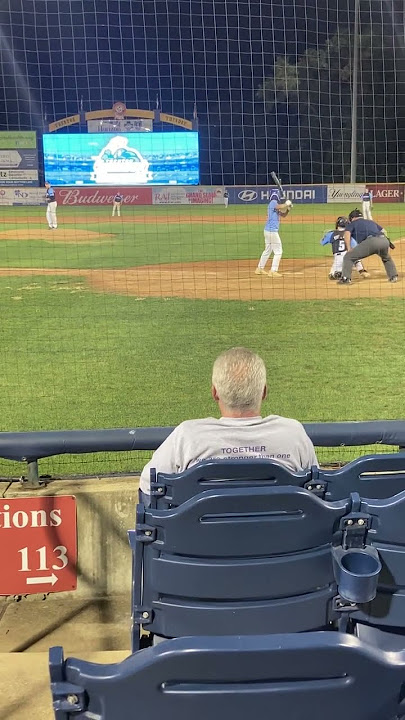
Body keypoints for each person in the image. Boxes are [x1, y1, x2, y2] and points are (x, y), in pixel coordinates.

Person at [139, 347, 318, 498]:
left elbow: (148, 489)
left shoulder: (188, 436)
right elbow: (317, 491)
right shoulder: (293, 435)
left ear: (215, 393)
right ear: (264, 392)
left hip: (204, 539)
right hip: (284, 539)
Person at [338, 209, 398, 284]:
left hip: (371, 242)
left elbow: (347, 234)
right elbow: (383, 231)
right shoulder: (370, 222)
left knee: (348, 257)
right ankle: (393, 276)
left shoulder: (352, 224)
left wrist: (349, 248)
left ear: (352, 218)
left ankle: (345, 278)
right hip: (384, 240)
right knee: (386, 258)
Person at [255, 190, 292, 278]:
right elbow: (279, 206)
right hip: (272, 231)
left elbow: (283, 215)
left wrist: (288, 209)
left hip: (268, 231)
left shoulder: (273, 205)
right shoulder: (273, 203)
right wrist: (287, 203)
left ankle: (259, 269)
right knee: (278, 251)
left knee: (267, 250)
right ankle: (273, 271)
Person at [320, 216, 369, 280]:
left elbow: (322, 242)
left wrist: (328, 236)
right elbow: (355, 246)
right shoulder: (349, 234)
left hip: (337, 259)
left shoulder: (331, 234)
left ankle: (337, 273)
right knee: (355, 257)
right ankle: (361, 270)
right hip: (348, 257)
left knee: (332, 275)